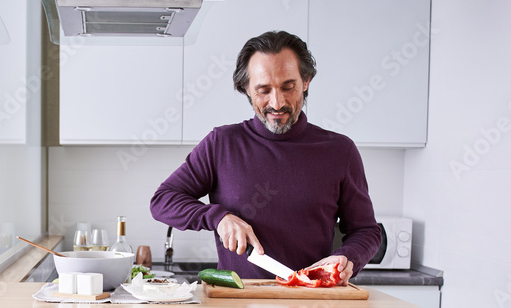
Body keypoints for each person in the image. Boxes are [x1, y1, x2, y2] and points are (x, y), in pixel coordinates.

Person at [150, 30, 381, 284]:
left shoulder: (340, 151)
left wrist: (348, 257)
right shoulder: (222, 144)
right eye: (263, 90)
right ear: (246, 89)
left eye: (288, 87)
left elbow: (366, 231)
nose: (277, 102)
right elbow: (163, 201)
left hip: (311, 304)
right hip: (237, 305)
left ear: (306, 81)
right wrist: (218, 218)